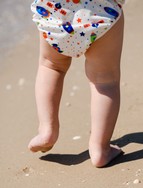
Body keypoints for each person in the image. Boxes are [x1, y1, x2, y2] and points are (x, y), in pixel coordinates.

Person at [28, 0, 125, 167]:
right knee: (104, 81)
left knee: (51, 66)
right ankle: (100, 148)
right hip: (101, 13)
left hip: (54, 11)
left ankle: (47, 130)